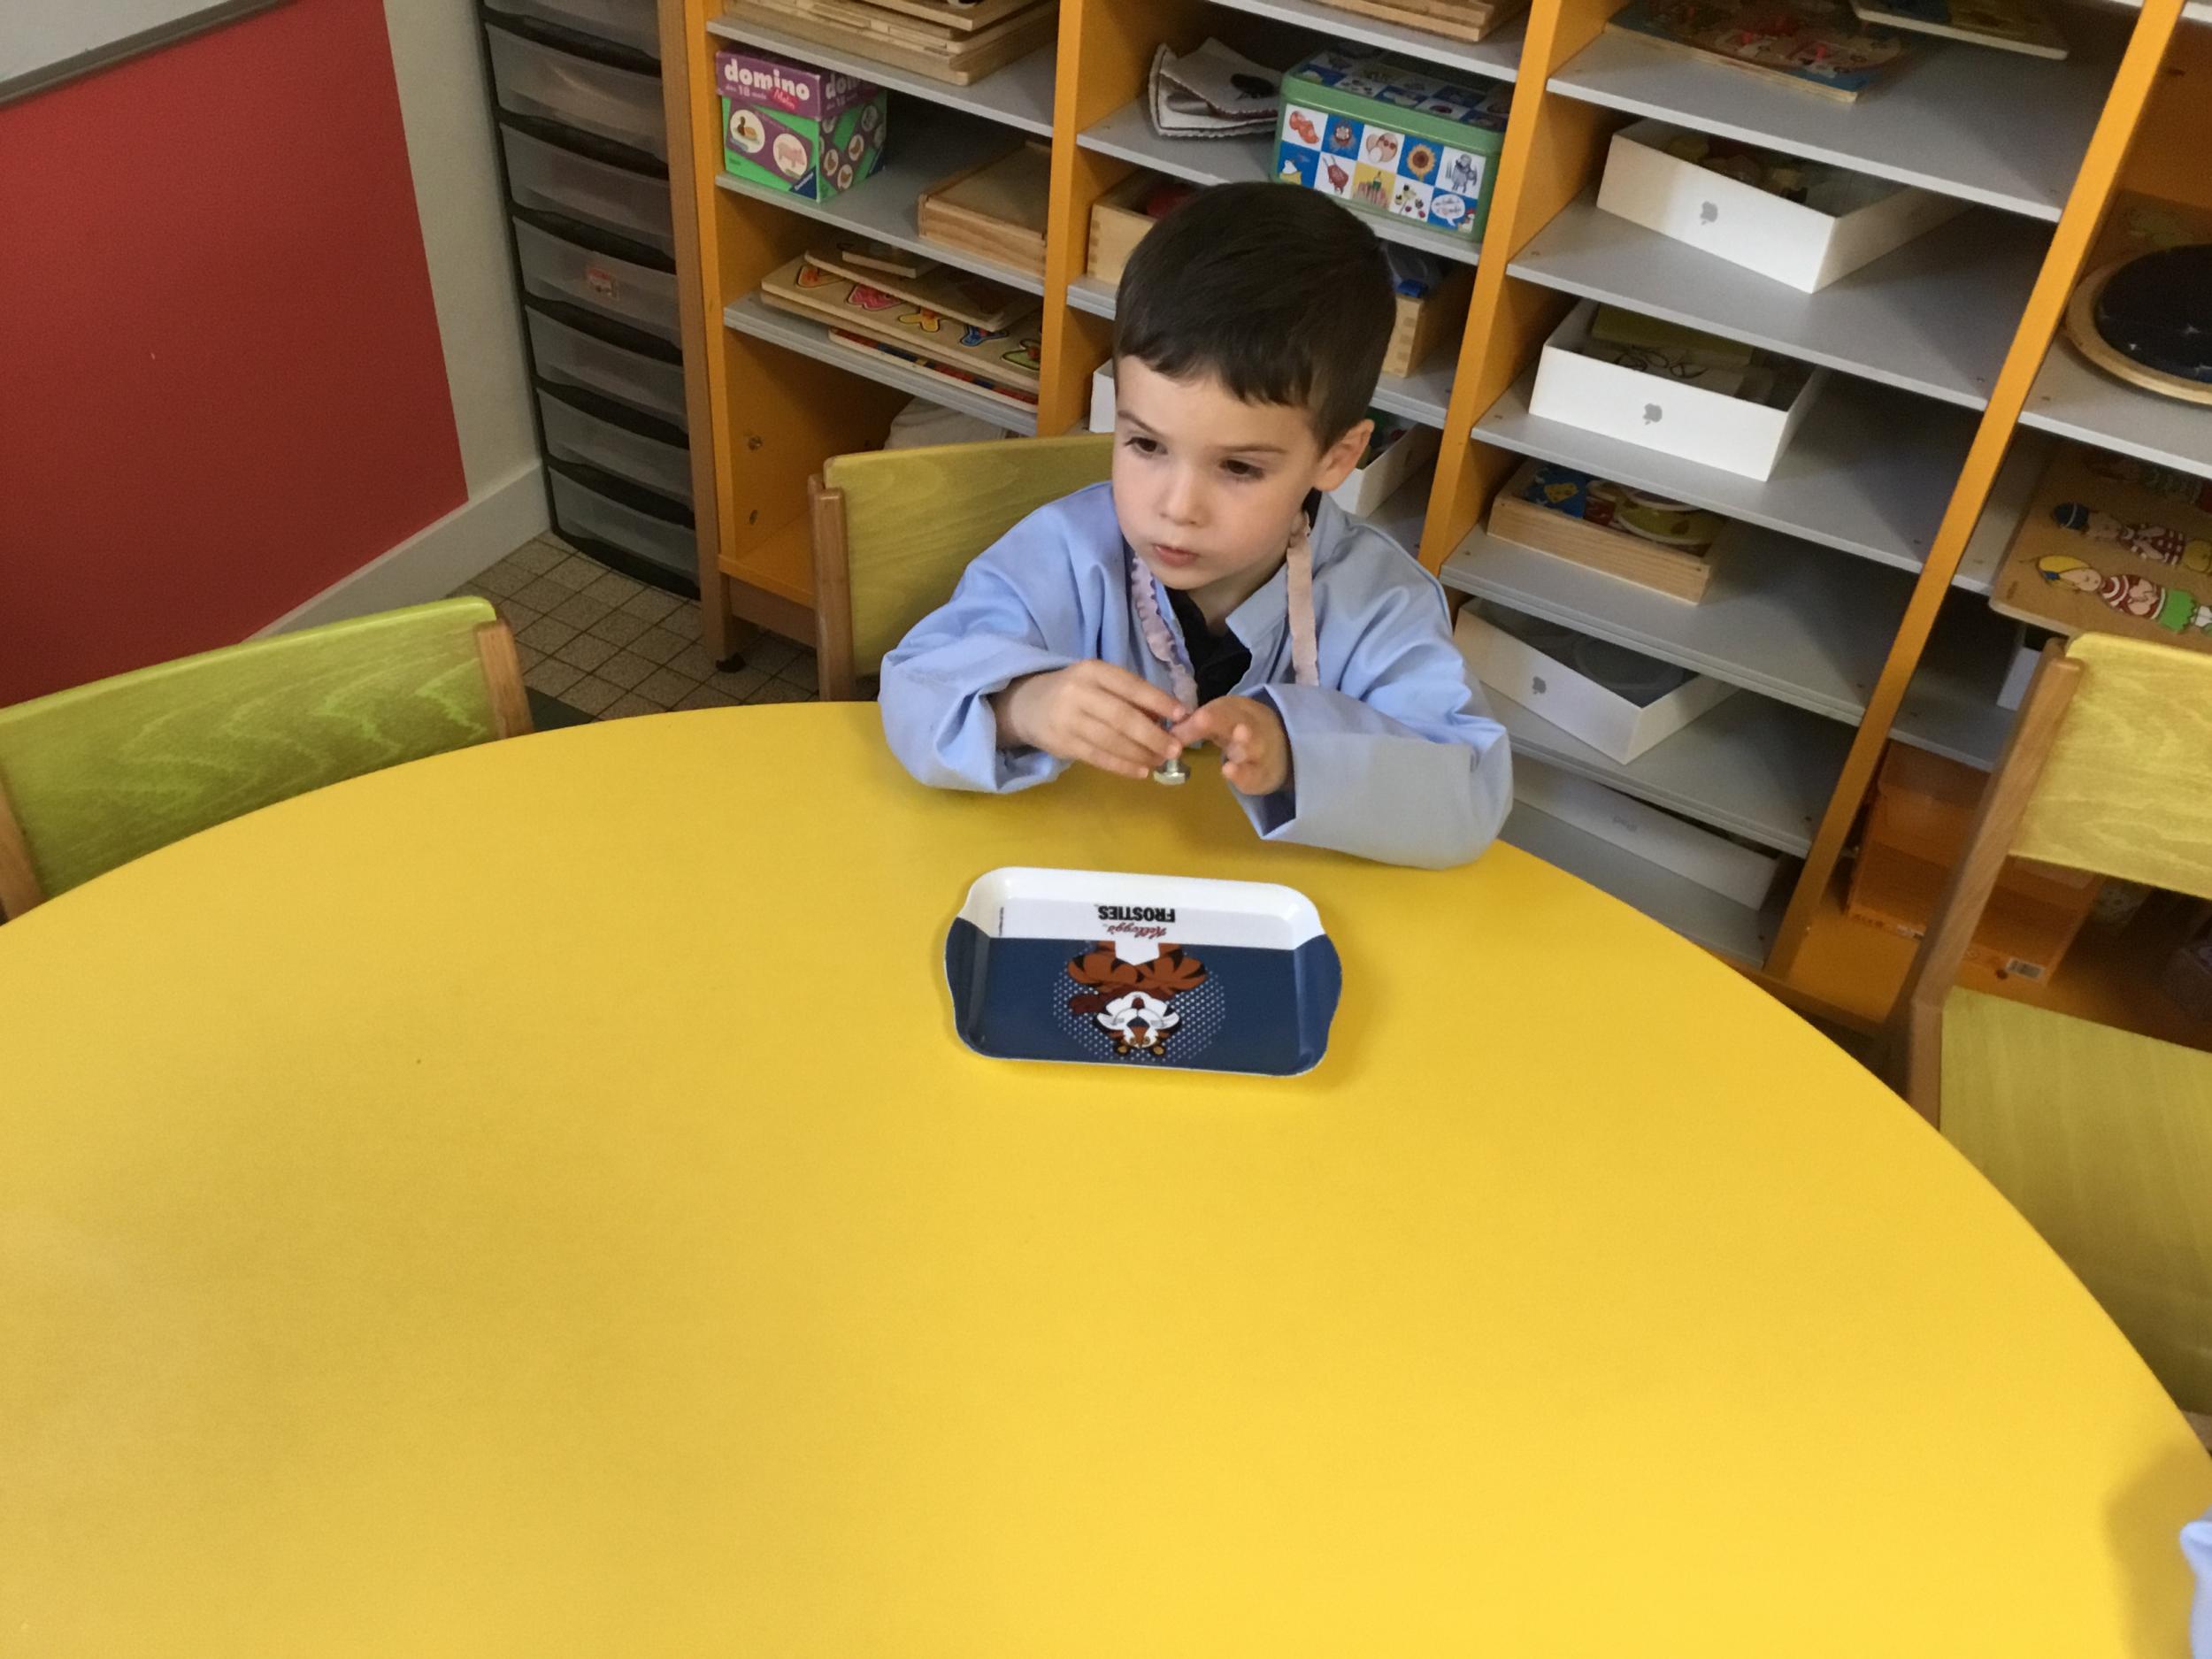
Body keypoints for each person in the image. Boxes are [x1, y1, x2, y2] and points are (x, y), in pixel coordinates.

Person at [879, 182, 1509, 869]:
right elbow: (913, 688)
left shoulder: (1382, 603)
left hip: (1281, 902)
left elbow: (1472, 791)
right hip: (1081, 876)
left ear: (1336, 457)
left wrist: (1296, 750)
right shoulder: (1064, 553)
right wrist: (1021, 706)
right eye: (1145, 444)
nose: (1177, 507)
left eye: (1238, 467)